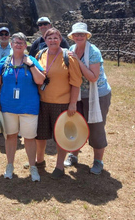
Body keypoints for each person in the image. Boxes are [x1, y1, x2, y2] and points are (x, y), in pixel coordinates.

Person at [0, 32, 45, 182]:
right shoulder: (4, 61)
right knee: (11, 136)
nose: (18, 45)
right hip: (8, 106)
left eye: (22, 43)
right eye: (16, 42)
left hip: (28, 107)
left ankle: (32, 166)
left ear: (26, 45)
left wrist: (30, 65)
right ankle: (10, 165)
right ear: (11, 44)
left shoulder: (32, 60)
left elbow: (41, 80)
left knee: (29, 138)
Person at [65, 22, 112, 175]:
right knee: (76, 124)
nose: (79, 36)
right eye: (76, 34)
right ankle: (74, 154)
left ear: (86, 36)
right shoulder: (72, 49)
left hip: (97, 94)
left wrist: (78, 62)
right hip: (78, 94)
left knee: (96, 127)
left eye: (82, 34)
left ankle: (98, 161)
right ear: (72, 37)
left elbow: (93, 77)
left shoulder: (93, 52)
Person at [35, 28, 82, 180]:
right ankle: (40, 161)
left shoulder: (68, 57)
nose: (53, 41)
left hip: (61, 103)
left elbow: (76, 82)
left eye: (55, 38)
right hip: (42, 101)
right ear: (45, 40)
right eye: (50, 38)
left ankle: (59, 166)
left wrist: (73, 103)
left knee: (60, 137)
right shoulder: (40, 55)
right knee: (40, 135)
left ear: (60, 39)